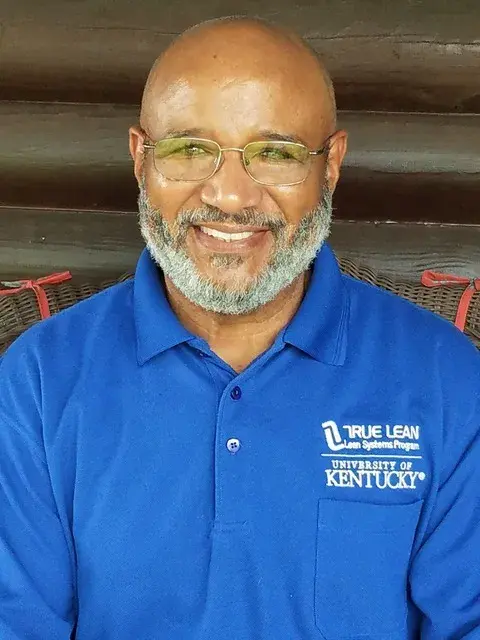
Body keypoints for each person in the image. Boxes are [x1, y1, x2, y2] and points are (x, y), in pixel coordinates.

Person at [0, 16, 479, 640]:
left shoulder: (446, 379)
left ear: (331, 165)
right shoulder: (39, 381)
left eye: (275, 153)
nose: (229, 196)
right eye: (189, 149)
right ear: (141, 159)